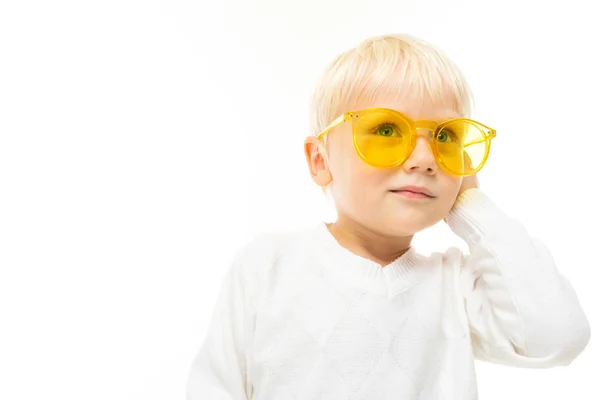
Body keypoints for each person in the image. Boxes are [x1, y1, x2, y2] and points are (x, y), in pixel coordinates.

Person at [186, 33, 591, 399]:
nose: (424, 159)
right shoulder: (268, 267)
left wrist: (471, 207)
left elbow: (558, 335)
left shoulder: (454, 287)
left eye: (445, 136)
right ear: (320, 159)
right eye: (385, 131)